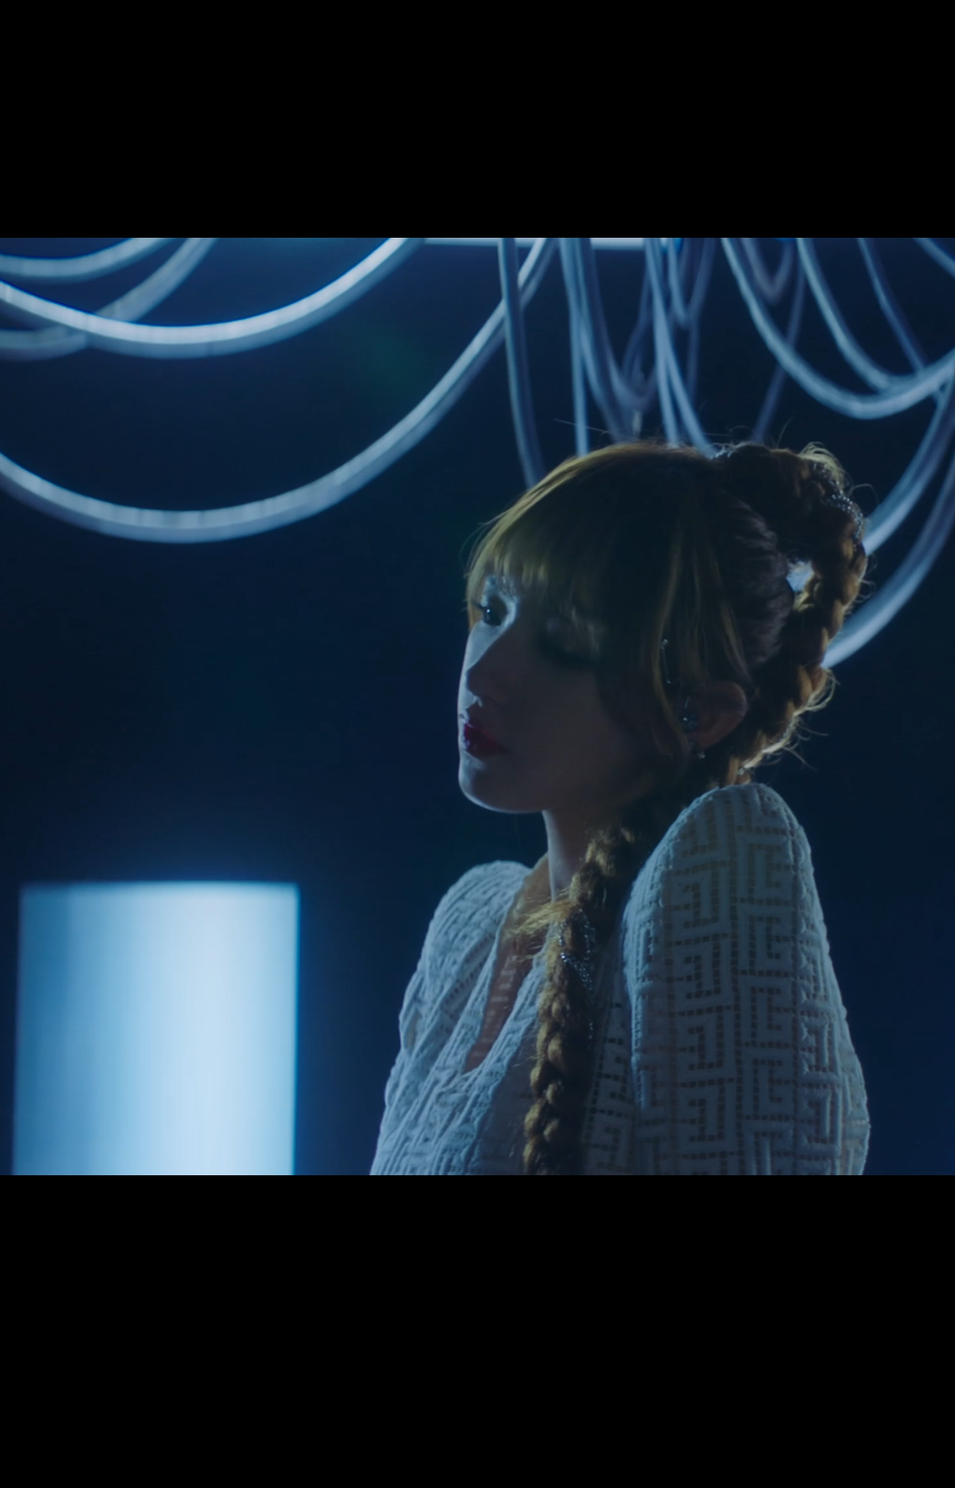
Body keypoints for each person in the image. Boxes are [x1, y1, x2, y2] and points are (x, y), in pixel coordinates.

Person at [371, 440, 872, 1174]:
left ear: (701, 712)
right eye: (493, 609)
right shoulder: (470, 928)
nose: (484, 671)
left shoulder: (725, 859)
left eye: (564, 644)